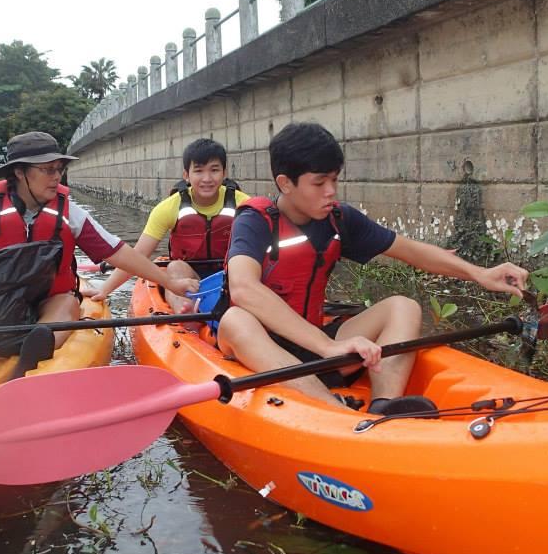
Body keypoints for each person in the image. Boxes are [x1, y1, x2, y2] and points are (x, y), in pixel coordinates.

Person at [217, 123, 528, 413]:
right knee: (235, 319)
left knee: (402, 306)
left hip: (315, 344)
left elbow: (411, 251)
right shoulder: (255, 221)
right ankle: (336, 412)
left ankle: (383, 405)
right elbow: (244, 288)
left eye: (334, 180)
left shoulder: (339, 219)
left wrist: (479, 273)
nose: (331, 191)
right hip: (261, 348)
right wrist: (327, 346)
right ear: (285, 183)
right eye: (319, 182)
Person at [0, 131, 199, 375]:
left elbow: (117, 252)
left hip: (38, 314)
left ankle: (30, 362)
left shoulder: (69, 214)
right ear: (20, 173)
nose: (57, 176)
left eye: (58, 168)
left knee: (67, 301)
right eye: (47, 169)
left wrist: (168, 282)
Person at [85, 138, 250, 314]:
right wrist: (105, 289)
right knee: (174, 267)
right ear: (186, 175)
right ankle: (186, 313)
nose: (207, 179)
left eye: (214, 170)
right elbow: (137, 255)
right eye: (199, 171)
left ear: (224, 173)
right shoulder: (168, 208)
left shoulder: (244, 204)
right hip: (188, 276)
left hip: (229, 275)